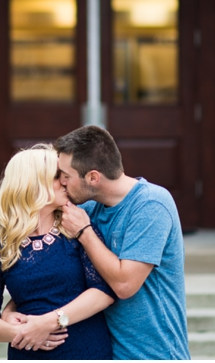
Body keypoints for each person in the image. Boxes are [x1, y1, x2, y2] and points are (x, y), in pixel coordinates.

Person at [56, 125, 190, 360]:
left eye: (66, 176)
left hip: (155, 355)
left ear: (93, 177)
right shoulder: (87, 209)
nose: (62, 182)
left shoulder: (151, 204)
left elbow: (125, 285)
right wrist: (11, 310)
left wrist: (85, 232)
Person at [0, 144, 115, 359]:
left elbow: (103, 292)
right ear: (35, 184)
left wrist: (49, 322)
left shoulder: (77, 230)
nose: (65, 182)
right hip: (29, 353)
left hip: (86, 350)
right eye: (58, 176)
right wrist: (21, 332)